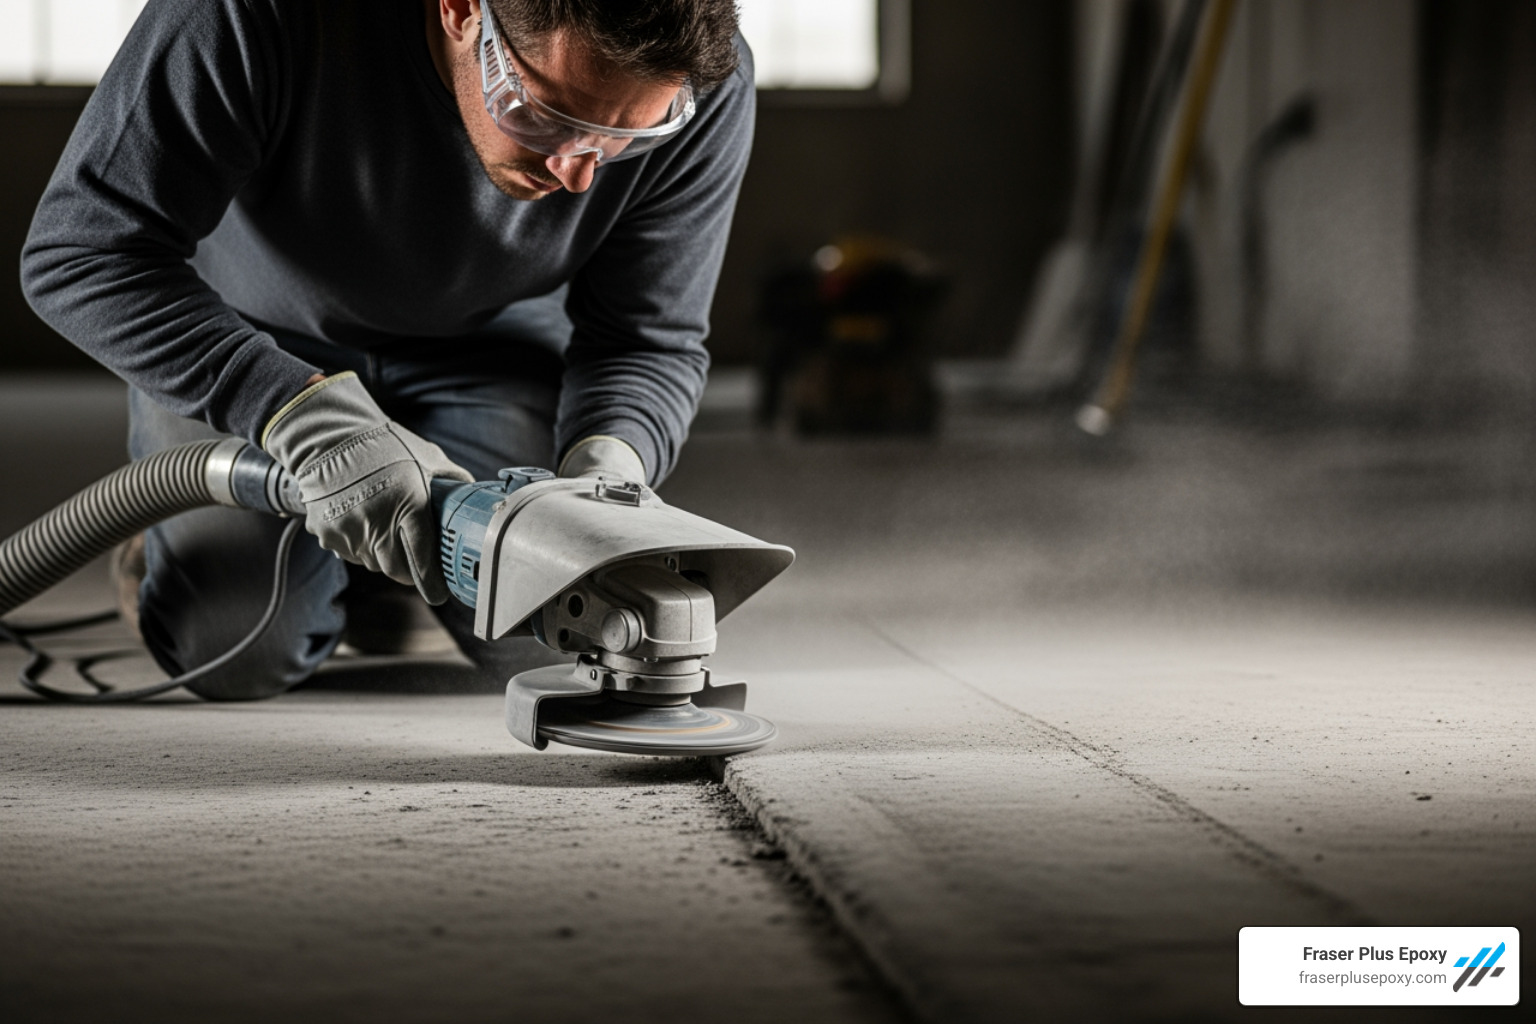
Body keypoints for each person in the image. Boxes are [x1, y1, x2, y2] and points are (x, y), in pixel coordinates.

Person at [19, 0, 754, 699]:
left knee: (568, 630)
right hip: (254, 341)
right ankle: (171, 545)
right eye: (545, 116)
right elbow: (80, 254)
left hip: (487, 351)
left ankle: (371, 572)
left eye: (626, 138)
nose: (578, 174)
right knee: (234, 648)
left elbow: (645, 337)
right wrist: (306, 419)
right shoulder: (254, 13)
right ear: (463, 11)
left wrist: (609, 469)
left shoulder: (701, 79)